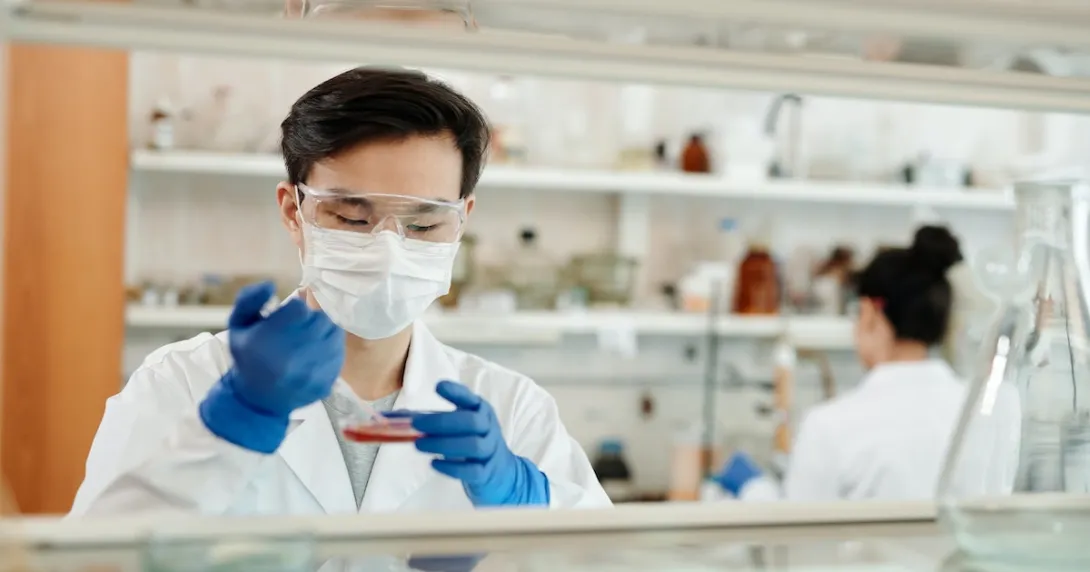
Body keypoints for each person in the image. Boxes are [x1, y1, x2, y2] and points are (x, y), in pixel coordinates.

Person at [71, 67, 611, 516]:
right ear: (293, 210)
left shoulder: (513, 410)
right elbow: (92, 560)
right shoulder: (184, 383)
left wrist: (528, 498)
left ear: (463, 219)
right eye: (353, 218)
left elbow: (610, 557)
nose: (389, 250)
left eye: (423, 224)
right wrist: (230, 430)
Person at [714, 226, 1020, 501]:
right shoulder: (999, 408)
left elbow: (796, 535)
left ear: (870, 314)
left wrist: (752, 488)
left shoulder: (828, 427)